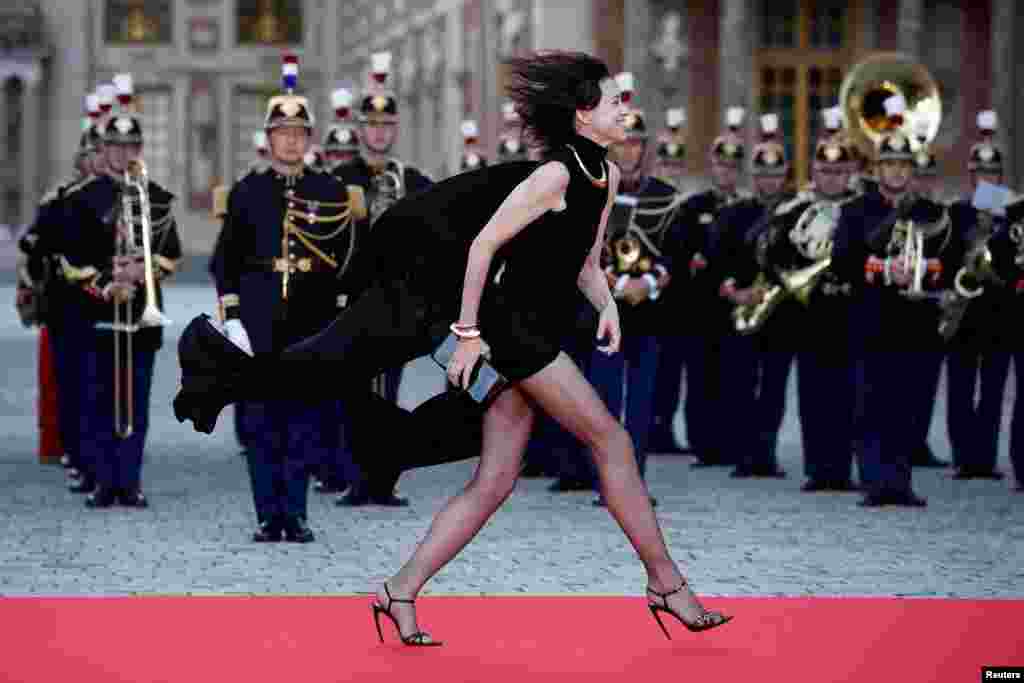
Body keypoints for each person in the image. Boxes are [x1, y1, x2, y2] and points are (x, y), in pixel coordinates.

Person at [174, 50, 732, 645]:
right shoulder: (554, 176)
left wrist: (609, 306)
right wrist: (467, 335)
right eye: (616, 100)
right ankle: (666, 584)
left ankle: (399, 593)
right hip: (516, 336)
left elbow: (587, 264)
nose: (628, 109)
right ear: (581, 114)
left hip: (539, 333)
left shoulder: (607, 177)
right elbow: (482, 248)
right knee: (611, 439)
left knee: (494, 482)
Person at [61, 74, 182, 508]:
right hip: (96, 315)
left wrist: (141, 273)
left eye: (132, 147)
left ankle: (129, 482)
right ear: (105, 149)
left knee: (135, 407)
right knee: (97, 404)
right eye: (115, 146)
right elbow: (68, 261)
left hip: (139, 318)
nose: (123, 154)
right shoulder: (80, 200)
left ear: (139, 151)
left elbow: (172, 254)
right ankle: (102, 481)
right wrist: (105, 283)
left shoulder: (158, 198)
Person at [333, 52, 434, 507]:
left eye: (387, 125)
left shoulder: (413, 182)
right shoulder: (337, 179)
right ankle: (355, 476)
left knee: (389, 390)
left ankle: (384, 478)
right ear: (360, 129)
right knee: (354, 389)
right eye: (371, 125)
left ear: (395, 130)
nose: (379, 132)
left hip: (396, 301)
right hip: (351, 299)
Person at [713, 113, 794, 479]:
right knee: (741, 388)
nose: (769, 182)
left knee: (774, 389)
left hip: (781, 313)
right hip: (743, 311)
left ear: (784, 176)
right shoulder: (735, 214)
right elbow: (719, 261)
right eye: (762, 175)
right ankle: (746, 454)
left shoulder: (797, 214)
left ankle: (767, 454)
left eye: (775, 176)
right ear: (754, 176)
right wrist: (735, 292)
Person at [944, 111, 1011, 480]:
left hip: (999, 312)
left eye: (993, 175)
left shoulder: (1011, 215)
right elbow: (949, 255)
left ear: (1000, 177)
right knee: (960, 389)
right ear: (971, 177)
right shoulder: (958, 212)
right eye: (981, 175)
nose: (987, 180)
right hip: (965, 312)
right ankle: (963, 456)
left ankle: (984, 459)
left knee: (993, 391)